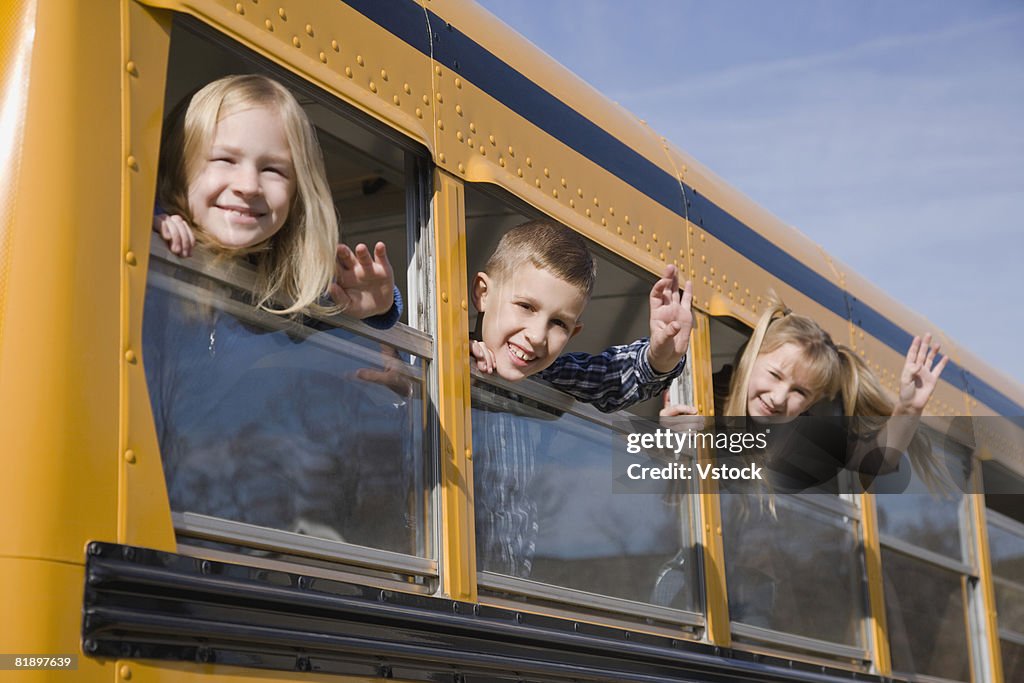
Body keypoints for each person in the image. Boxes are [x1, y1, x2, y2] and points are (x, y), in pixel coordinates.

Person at [143, 75, 416, 551]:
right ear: (179, 169)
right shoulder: (145, 253)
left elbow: (360, 382)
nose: (247, 185)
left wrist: (374, 315)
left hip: (226, 534)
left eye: (274, 170)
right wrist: (142, 218)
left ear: (298, 192)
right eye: (224, 159)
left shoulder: (286, 305)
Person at [467, 220, 694, 578]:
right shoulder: (450, 354)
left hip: (509, 584)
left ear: (575, 332)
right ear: (483, 293)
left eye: (559, 323)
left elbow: (611, 377)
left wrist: (661, 354)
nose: (537, 336)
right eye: (525, 306)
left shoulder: (548, 375)